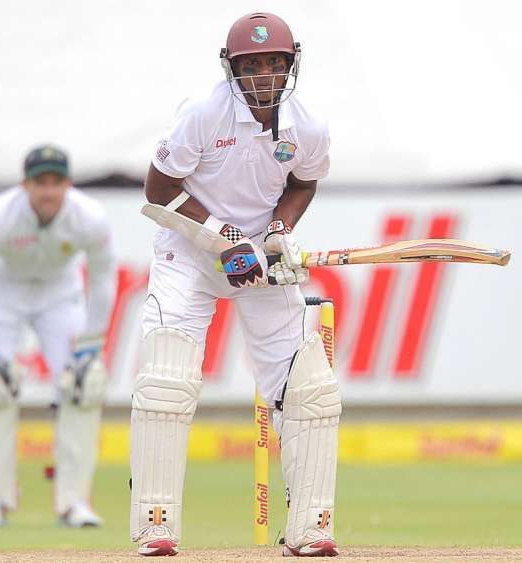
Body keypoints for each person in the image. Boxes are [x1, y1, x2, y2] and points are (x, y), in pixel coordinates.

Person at [130, 12, 340, 557]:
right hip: (188, 250)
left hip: (260, 260)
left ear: (291, 65)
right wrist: (224, 238)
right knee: (167, 379)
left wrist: (276, 232)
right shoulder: (203, 115)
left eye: (275, 63)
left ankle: (311, 526)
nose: (265, 74)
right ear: (233, 69)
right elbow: (159, 191)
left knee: (308, 388)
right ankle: (155, 523)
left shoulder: (308, 127)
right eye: (253, 64)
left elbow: (302, 184)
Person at [0, 144, 117, 527]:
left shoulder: (89, 217)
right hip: (3, 295)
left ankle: (74, 502)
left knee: (83, 385)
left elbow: (104, 275)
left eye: (55, 182)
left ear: (68, 184)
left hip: (60, 295)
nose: (48, 191)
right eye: (40, 182)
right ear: (25, 185)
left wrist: (93, 341)